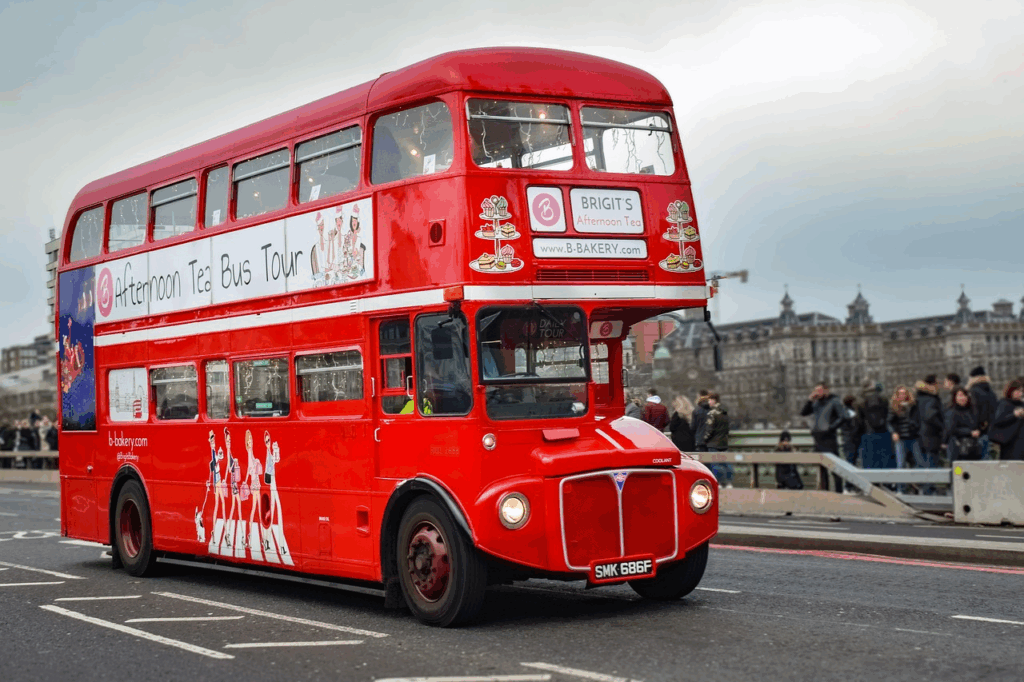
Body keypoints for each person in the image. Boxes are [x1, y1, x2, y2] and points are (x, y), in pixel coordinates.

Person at [801, 382, 845, 491]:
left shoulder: (834, 401)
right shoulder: (816, 403)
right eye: (815, 390)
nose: (817, 393)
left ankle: (839, 491)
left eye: (819, 390)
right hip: (818, 438)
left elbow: (843, 417)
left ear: (826, 390)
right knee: (821, 467)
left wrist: (831, 428)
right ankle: (825, 491)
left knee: (834, 467)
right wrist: (809, 400)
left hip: (829, 438)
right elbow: (803, 413)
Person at [858, 379, 893, 468]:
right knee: (885, 459)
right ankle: (887, 481)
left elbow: (859, 420)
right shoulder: (883, 398)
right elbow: (887, 413)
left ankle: (872, 481)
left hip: (868, 432)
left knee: (870, 461)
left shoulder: (860, 401)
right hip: (883, 431)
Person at [888, 385, 921, 478]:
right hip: (901, 437)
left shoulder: (913, 405)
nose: (902, 395)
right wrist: (894, 432)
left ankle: (918, 486)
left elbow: (918, 419)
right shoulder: (894, 406)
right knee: (901, 464)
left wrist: (916, 427)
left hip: (913, 436)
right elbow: (889, 422)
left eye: (904, 393)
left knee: (918, 462)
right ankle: (901, 489)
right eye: (900, 393)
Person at [966, 366, 998, 460]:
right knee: (986, 458)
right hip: (990, 430)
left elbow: (976, 412)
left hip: (978, 431)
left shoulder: (974, 391)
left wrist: (974, 428)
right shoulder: (991, 391)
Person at [700, 392, 732, 487]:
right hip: (724, 441)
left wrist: (705, 439)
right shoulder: (724, 412)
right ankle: (729, 482)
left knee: (716, 464)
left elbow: (709, 430)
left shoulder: (712, 413)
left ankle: (719, 482)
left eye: (710, 400)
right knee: (726, 463)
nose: (709, 402)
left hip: (714, 442)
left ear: (714, 400)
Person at [989, 378, 1024, 461]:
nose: (1020, 393)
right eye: (1017, 391)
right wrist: (1014, 415)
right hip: (1009, 442)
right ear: (1010, 391)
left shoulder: (1021, 404)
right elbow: (998, 420)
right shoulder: (1004, 403)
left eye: (1021, 391)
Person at [915, 375, 944, 471]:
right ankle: (929, 486)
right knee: (931, 463)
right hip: (931, 434)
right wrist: (942, 425)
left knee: (926, 463)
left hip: (922, 433)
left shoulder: (920, 397)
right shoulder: (931, 399)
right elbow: (930, 416)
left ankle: (927, 485)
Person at [945, 386, 982, 461]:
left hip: (972, 448)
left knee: (971, 471)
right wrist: (969, 432)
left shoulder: (972, 410)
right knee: (958, 471)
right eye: (959, 395)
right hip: (957, 449)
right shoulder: (952, 411)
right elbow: (951, 430)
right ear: (954, 397)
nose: (963, 398)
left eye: (964, 395)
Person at [839, 395, 862, 468]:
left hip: (846, 438)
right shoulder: (853, 412)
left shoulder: (843, 411)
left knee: (849, 461)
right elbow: (855, 425)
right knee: (854, 461)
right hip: (853, 438)